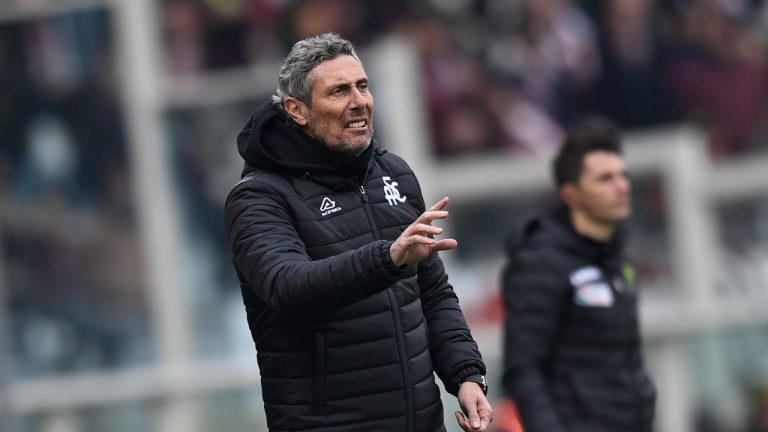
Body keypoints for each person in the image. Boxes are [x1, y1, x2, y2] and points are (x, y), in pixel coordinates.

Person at [224, 32, 492, 432]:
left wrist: (466, 373)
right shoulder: (259, 198)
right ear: (297, 110)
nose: (359, 101)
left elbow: (433, 293)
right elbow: (288, 288)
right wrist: (387, 259)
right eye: (339, 91)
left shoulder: (394, 174)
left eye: (362, 86)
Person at [499, 119, 656, 431]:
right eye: (605, 179)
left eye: (623, 175)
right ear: (571, 194)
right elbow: (523, 369)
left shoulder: (617, 256)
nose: (622, 186)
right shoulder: (541, 261)